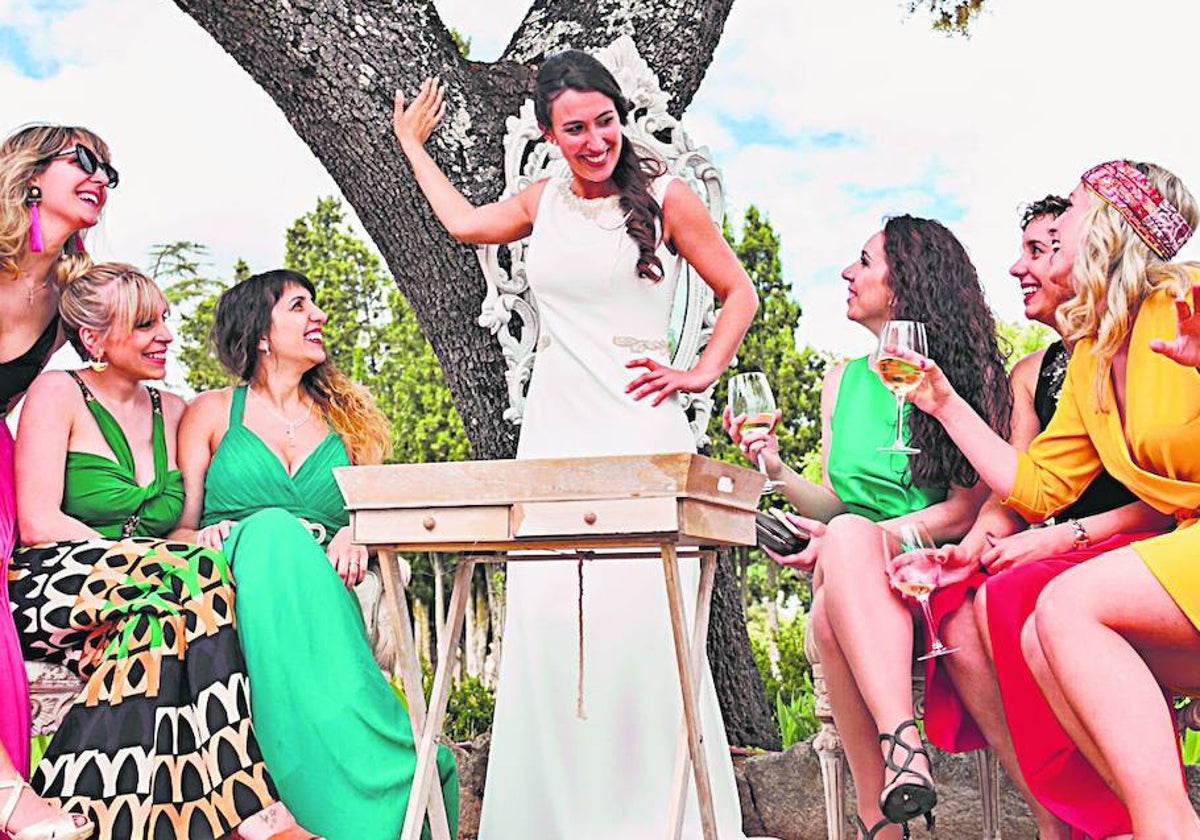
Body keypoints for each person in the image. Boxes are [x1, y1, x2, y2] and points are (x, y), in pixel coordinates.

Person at [392, 50, 758, 838]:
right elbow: (462, 225)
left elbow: (740, 292)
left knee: (645, 628)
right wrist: (412, 147)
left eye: (604, 122)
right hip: (554, 428)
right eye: (575, 128)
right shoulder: (540, 202)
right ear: (549, 132)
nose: (595, 140)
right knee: (554, 620)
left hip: (639, 425)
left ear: (618, 118)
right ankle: (556, 819)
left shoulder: (667, 196)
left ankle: (662, 818)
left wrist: (698, 373)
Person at [903, 159, 1200, 839]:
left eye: (1069, 210)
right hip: (1187, 554)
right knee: (1041, 634)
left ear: (1108, 225)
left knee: (1064, 603)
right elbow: (1039, 485)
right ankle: (1138, 822)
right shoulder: (1095, 353)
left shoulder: (1191, 298)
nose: (1057, 224)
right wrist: (944, 402)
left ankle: (1165, 826)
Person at [7, 263, 321, 840]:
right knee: (189, 570)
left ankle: (82, 817)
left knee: (152, 640)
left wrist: (183, 550)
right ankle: (255, 815)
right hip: (51, 581)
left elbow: (181, 528)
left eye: (166, 321)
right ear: (94, 339)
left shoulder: (173, 410)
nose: (166, 337)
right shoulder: (58, 393)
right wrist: (149, 558)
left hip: (151, 593)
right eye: (145, 325)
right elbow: (37, 521)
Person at [727, 216, 1011, 839]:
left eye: (863, 261)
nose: (846, 274)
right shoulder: (842, 380)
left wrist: (866, 539)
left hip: (933, 575)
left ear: (905, 285)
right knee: (844, 560)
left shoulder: (973, 379)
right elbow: (833, 503)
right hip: (854, 572)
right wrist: (773, 467)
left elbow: (964, 511)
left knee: (833, 602)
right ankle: (901, 765)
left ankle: (877, 817)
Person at [175, 269, 459, 840]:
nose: (318, 317)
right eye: (299, 307)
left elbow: (373, 515)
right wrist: (203, 541)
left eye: (315, 304)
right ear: (260, 334)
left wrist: (357, 533)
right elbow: (180, 529)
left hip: (330, 587)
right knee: (274, 529)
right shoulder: (209, 413)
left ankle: (383, 768)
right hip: (238, 582)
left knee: (284, 534)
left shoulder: (346, 421)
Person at [0, 124, 113, 840]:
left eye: (112, 172)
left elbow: (130, 358)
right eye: (87, 161)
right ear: (31, 173)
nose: (103, 176)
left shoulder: (72, 292)